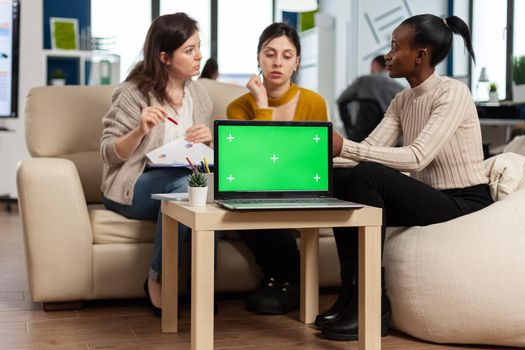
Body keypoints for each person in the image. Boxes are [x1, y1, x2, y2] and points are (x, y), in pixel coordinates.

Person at [316, 14, 494, 341]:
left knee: (367, 174)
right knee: (341, 182)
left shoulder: (452, 93)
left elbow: (416, 156)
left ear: (421, 56)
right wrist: (319, 165)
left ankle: (373, 301)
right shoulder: (402, 100)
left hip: (465, 202)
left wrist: (345, 148)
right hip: (433, 199)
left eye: (395, 47)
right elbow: (369, 148)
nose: (388, 54)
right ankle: (352, 292)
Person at [100, 13, 212, 317]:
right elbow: (109, 153)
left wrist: (208, 140)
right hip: (133, 185)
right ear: (164, 57)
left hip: (182, 180)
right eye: (189, 50)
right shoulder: (132, 93)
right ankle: (158, 279)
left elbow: (198, 155)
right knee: (188, 187)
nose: (199, 56)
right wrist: (139, 130)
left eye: (199, 47)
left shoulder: (199, 94)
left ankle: (201, 285)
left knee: (204, 188)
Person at [226, 22, 328, 314]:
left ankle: (286, 279)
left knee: (268, 197)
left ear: (297, 62)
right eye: (270, 54)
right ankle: (280, 278)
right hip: (254, 185)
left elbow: (311, 160)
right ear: (258, 57)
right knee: (244, 198)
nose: (277, 62)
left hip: (299, 183)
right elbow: (253, 160)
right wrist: (261, 104)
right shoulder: (239, 107)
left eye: (286, 55)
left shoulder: (313, 102)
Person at [337, 55, 404, 142]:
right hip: (388, 137)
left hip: (363, 135)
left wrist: (349, 128)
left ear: (374, 65)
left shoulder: (364, 80)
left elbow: (341, 99)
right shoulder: (399, 88)